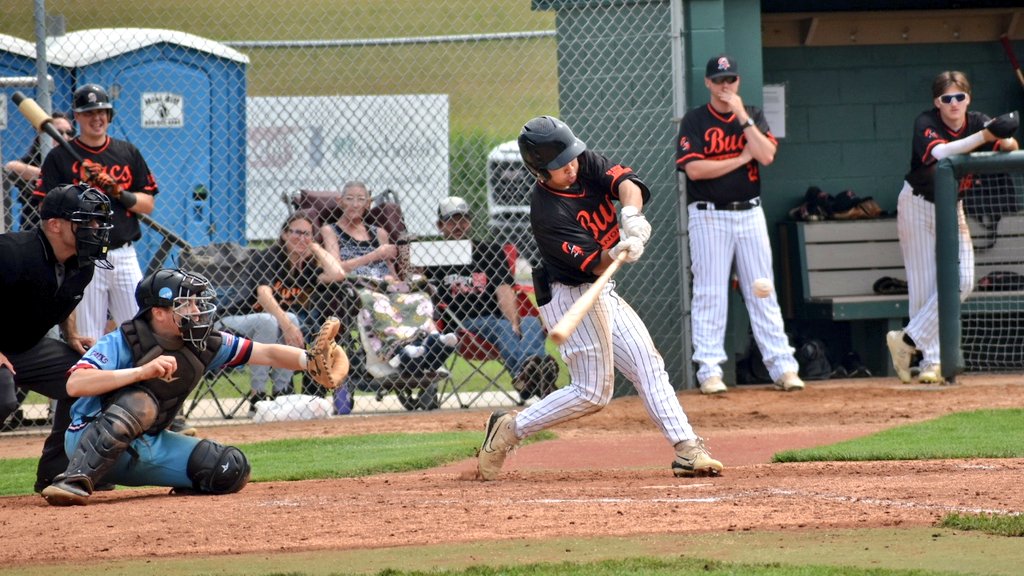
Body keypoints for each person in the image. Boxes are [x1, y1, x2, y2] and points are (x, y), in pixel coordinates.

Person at [475, 115, 724, 481]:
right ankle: (509, 429)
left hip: (600, 291)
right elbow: (594, 265)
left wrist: (631, 215)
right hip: (570, 294)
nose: (571, 168)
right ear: (540, 172)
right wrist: (619, 248)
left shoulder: (580, 160)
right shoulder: (547, 214)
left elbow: (627, 183)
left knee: (647, 364)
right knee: (592, 393)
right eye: (559, 167)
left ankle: (687, 449)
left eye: (572, 159)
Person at [40, 267, 335, 506]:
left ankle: (167, 477)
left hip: (147, 443)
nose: (195, 310)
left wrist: (309, 361)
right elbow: (76, 383)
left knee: (229, 468)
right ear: (158, 312)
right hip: (85, 438)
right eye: (185, 304)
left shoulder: (204, 342)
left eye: (196, 302)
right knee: (139, 400)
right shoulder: (124, 340)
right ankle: (74, 479)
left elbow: (266, 352)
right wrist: (140, 371)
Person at [675, 54, 804, 395]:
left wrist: (743, 116)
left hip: (750, 213)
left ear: (738, 82)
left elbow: (765, 155)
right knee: (710, 293)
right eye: (718, 80)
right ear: (707, 83)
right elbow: (695, 170)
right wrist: (739, 159)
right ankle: (710, 370)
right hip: (709, 214)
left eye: (730, 80)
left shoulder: (753, 116)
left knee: (763, 289)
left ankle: (783, 367)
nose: (725, 86)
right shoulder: (695, 120)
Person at [887, 71, 1019, 384]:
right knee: (923, 287)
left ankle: (905, 342)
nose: (954, 103)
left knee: (964, 280)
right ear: (937, 102)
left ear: (968, 98)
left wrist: (1005, 135)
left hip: (952, 207)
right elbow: (941, 153)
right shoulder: (926, 122)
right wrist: (987, 137)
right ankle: (931, 362)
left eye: (960, 96)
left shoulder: (977, 120)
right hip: (918, 204)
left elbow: (1010, 143)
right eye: (947, 98)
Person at [0, 184, 113, 494]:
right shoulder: (12, 252)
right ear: (54, 225)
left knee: (85, 377)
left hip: (26, 346)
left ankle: (57, 469)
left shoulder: (83, 264)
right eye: (86, 222)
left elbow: (65, 297)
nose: (96, 229)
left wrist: (71, 334)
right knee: (3, 395)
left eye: (97, 222)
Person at [36, 83, 160, 343]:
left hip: (123, 253)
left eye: (102, 111)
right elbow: (45, 209)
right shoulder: (59, 158)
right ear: (77, 117)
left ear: (110, 115)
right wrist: (82, 192)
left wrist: (117, 191)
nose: (97, 118)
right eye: (89, 112)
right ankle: (93, 381)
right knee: (87, 336)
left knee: (141, 330)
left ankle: (139, 382)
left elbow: (147, 204)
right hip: (82, 256)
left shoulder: (126, 152)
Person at [426, 195, 558, 400]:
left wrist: (515, 322)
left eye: (463, 218)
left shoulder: (489, 251)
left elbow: (503, 288)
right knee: (502, 326)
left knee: (531, 322)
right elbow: (424, 289)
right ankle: (536, 378)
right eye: (452, 220)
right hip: (460, 325)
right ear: (440, 225)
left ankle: (526, 377)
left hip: (495, 319)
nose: (459, 224)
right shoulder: (433, 255)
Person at [216, 211, 347, 408]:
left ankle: (282, 393)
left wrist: (315, 248)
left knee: (291, 318)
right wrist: (287, 326)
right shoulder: (269, 256)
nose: (301, 238)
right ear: (284, 234)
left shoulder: (305, 267)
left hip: (268, 326)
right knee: (273, 320)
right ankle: (257, 394)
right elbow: (263, 294)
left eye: (307, 234)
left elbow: (337, 274)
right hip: (231, 321)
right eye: (296, 232)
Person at [3, 111, 74, 230]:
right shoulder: (34, 160)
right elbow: (10, 166)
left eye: (69, 133)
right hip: (34, 227)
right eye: (59, 133)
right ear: (43, 136)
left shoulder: (74, 162)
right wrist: (49, 174)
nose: (65, 137)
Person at [320, 181, 397, 278]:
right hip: (354, 288)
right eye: (349, 199)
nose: (355, 205)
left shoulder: (379, 233)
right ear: (340, 201)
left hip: (385, 287)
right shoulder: (330, 231)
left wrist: (396, 283)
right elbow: (335, 268)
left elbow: (391, 270)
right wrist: (375, 255)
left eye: (361, 199)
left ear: (367, 203)